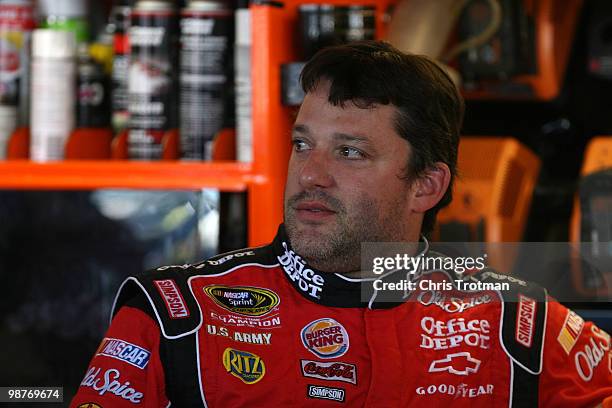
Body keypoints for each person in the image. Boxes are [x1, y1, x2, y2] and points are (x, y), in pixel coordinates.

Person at [71, 41, 612, 407]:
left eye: (350, 152)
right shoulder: (174, 314)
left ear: (426, 185)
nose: (311, 174)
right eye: (303, 144)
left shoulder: (523, 328)